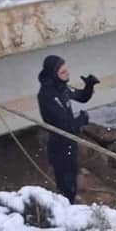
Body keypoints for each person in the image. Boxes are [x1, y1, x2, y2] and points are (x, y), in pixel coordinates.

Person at [36, 55, 99, 203]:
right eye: (63, 72)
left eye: (67, 70)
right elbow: (64, 126)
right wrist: (81, 120)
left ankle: (71, 199)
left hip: (70, 144)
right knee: (65, 183)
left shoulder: (62, 87)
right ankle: (67, 204)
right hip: (59, 145)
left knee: (72, 178)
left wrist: (89, 85)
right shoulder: (48, 95)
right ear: (54, 74)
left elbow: (81, 96)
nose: (67, 74)